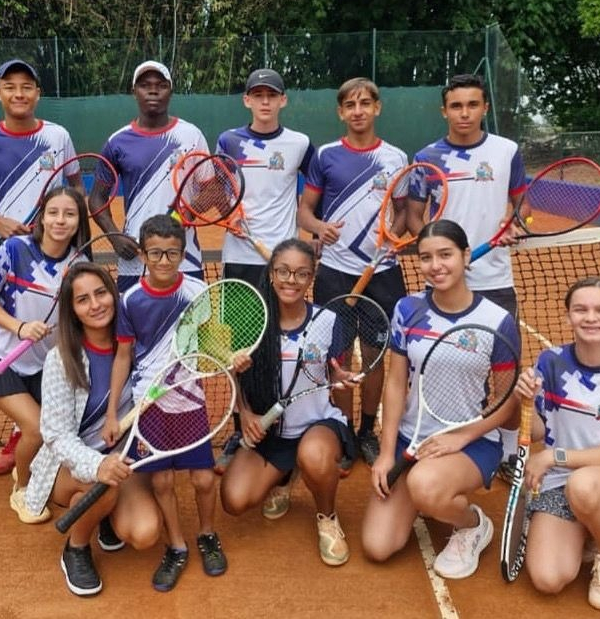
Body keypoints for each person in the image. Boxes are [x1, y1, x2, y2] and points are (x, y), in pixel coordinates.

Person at [362, 220, 520, 579]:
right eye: (426, 257)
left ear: (466, 256)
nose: (436, 265)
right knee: (377, 546)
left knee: (425, 487)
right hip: (412, 437)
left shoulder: (498, 321)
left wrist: (461, 437)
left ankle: (472, 524)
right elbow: (395, 381)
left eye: (446, 254)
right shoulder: (407, 309)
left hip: (472, 442)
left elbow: (506, 399)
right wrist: (387, 453)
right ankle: (429, 493)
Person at [407, 73, 529, 476]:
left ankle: (508, 453)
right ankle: (438, 435)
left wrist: (515, 224)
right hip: (440, 282)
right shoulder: (425, 156)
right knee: (440, 368)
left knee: (503, 380)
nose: (464, 113)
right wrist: (440, 255)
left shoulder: (506, 151)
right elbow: (414, 217)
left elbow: (519, 206)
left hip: (494, 282)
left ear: (484, 108)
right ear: (444, 110)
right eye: (456, 106)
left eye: (472, 105)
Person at [0, 58, 84, 476]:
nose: (19, 94)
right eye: (10, 86)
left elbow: (75, 186)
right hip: (10, 258)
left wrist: (65, 225)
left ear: (37, 93)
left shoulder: (58, 136)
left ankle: (30, 430)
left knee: (49, 344)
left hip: (53, 255)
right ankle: (24, 426)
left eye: (27, 87)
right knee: (10, 340)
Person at [513, 277, 600, 613]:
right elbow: (534, 430)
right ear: (568, 317)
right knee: (549, 579)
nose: (591, 318)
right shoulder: (551, 361)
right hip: (560, 480)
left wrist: (554, 456)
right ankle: (589, 527)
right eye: (581, 309)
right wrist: (524, 401)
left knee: (585, 484)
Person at [103, 214, 228, 592]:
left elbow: (211, 345)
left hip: (189, 400)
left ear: (183, 253)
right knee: (161, 480)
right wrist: (112, 412)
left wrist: (229, 357)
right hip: (148, 404)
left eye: (172, 253)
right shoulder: (129, 300)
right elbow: (123, 356)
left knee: (205, 479)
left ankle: (206, 535)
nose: (163, 261)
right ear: (142, 254)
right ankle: (176, 545)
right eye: (155, 253)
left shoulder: (197, 292)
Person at [25, 262, 161, 596]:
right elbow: (56, 435)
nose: (96, 304)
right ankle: (77, 547)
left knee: (144, 533)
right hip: (68, 467)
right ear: (72, 311)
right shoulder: (61, 359)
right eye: (83, 299)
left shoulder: (135, 348)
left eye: (101, 293)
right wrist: (96, 464)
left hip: (122, 459)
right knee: (105, 485)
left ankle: (105, 514)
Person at [221, 238, 358, 566]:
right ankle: (287, 473)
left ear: (312, 278)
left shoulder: (328, 321)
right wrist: (247, 413)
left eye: (301, 274)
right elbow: (235, 378)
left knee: (314, 455)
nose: (290, 281)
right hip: (270, 432)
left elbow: (338, 372)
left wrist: (341, 384)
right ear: (271, 274)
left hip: (316, 426)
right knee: (234, 500)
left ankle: (327, 517)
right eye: (283, 271)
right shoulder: (251, 322)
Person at [0, 187, 90, 524]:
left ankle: (26, 469)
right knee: (36, 428)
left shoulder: (79, 265)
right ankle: (24, 488)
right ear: (42, 216)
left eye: (70, 214)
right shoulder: (15, 250)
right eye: (54, 212)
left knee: (61, 427)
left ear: (78, 222)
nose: (61, 220)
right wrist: (19, 327)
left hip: (41, 364)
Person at [297, 77, 408, 467]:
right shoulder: (325, 155)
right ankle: (343, 428)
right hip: (334, 274)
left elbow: (407, 214)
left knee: (377, 357)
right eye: (350, 105)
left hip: (384, 273)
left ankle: (366, 431)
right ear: (340, 112)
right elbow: (305, 211)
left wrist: (402, 233)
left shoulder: (396, 158)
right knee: (338, 357)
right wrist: (317, 227)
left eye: (365, 103)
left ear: (377, 108)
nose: (358, 110)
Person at [212, 67, 314, 473]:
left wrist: (314, 233)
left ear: (283, 100)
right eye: (257, 94)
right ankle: (242, 424)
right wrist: (226, 213)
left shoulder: (301, 144)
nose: (265, 101)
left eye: (272, 94)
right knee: (240, 346)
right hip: (239, 257)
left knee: (278, 343)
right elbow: (218, 189)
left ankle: (281, 425)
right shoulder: (228, 141)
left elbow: (317, 190)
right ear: (247, 101)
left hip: (283, 264)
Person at [89, 60, 209, 293]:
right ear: (134, 92)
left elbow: (211, 188)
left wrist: (182, 216)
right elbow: (96, 198)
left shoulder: (192, 135)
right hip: (134, 261)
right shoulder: (117, 142)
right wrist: (114, 236)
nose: (153, 90)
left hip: (186, 258)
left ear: (170, 91)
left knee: (190, 328)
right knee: (133, 326)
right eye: (145, 85)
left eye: (160, 85)